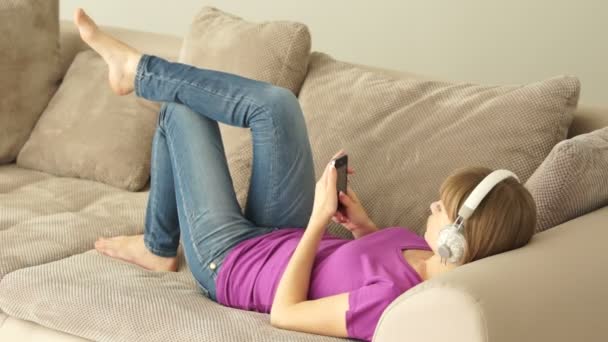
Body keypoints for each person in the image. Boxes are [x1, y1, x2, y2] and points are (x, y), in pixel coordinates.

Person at [74, 8, 537, 342]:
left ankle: (158, 245)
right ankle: (139, 70)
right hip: (282, 235)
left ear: (460, 241)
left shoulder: (394, 305)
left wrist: (319, 221)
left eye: (445, 207)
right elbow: (366, 264)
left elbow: (286, 312)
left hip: (234, 263)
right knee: (277, 106)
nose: (433, 206)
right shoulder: (422, 253)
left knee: (183, 113)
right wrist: (363, 227)